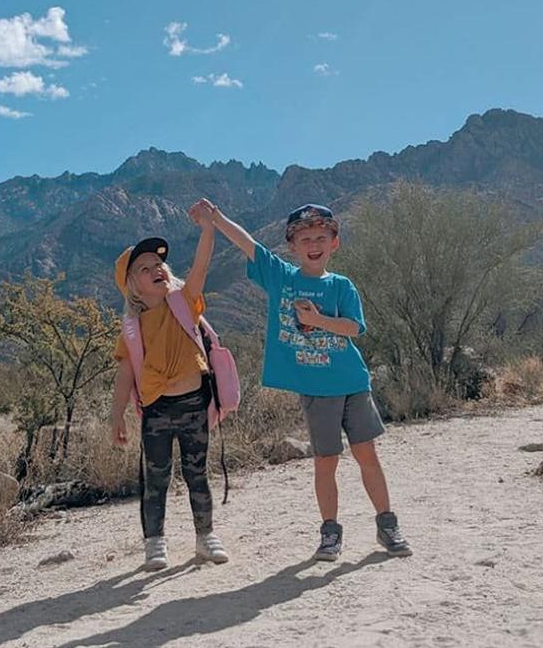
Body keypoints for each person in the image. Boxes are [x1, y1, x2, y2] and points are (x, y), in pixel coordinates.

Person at [197, 199, 412, 560]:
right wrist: (216, 219)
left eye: (321, 237)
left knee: (367, 455)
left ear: (334, 243)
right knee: (325, 462)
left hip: (353, 383)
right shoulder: (282, 277)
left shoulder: (342, 286)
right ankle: (330, 534)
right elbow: (249, 244)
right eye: (305, 238)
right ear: (292, 247)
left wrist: (317, 319)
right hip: (316, 391)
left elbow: (354, 328)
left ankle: (387, 524)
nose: (314, 244)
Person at [110, 203, 228, 570]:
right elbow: (126, 373)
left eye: (158, 264)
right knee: (156, 479)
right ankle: (155, 544)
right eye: (144, 268)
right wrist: (116, 416)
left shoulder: (184, 302)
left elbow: (201, 269)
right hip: (156, 410)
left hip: (193, 403)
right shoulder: (132, 327)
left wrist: (208, 230)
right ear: (132, 285)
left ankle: (205, 537)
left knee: (197, 474)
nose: (156, 269)